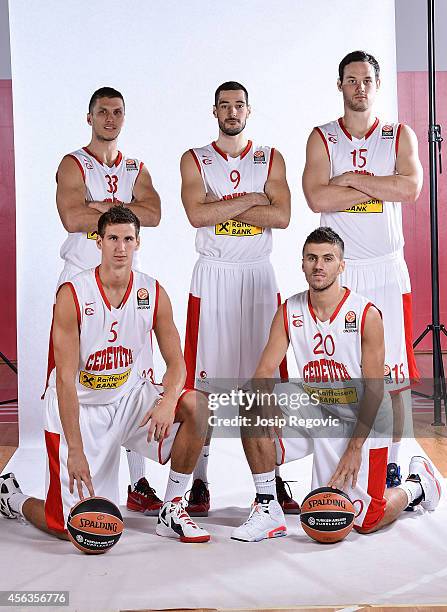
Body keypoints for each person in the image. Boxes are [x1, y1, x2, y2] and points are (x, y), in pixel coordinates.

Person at [0, 207, 210, 543]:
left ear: (138, 242)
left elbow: (177, 363)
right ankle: (12, 497)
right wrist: (77, 450)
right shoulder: (73, 294)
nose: (120, 247)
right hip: (80, 407)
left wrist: (169, 400)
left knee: (197, 406)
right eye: (113, 238)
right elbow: (65, 379)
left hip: (126, 397)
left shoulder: (152, 293)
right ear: (99, 242)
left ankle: (172, 508)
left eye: (128, 238)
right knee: (76, 529)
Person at [231, 228, 440, 542]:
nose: (319, 265)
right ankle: (267, 509)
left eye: (328, 258)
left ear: (342, 266)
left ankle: (417, 485)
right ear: (302, 263)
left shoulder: (365, 315)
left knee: (365, 520)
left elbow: (374, 390)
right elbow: (263, 372)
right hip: (315, 406)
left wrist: (354, 449)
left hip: (363, 417)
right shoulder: (290, 310)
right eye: (312, 258)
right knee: (250, 401)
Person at [302, 50, 423, 486]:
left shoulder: (397, 134)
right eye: (351, 80)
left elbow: (409, 189)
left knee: (395, 367)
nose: (359, 87)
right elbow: (317, 199)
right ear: (340, 86)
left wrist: (348, 181)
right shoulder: (322, 137)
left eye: (366, 80)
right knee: (343, 365)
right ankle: (344, 451)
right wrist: (378, 186)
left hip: (388, 267)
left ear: (377, 84)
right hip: (343, 271)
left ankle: (395, 455)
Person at [180, 80, 298, 515]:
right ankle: (200, 482)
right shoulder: (195, 158)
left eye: (239, 105)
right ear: (214, 111)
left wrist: (225, 203)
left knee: (264, 383)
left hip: (258, 277)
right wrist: (254, 199)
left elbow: (282, 215)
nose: (232, 112)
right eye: (225, 106)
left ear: (250, 111)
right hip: (213, 277)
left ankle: (275, 480)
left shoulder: (271, 157)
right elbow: (197, 213)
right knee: (205, 387)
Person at [51, 87, 162, 514]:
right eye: (103, 112)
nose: (110, 119)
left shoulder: (136, 166)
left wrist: (99, 207)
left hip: (123, 279)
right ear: (89, 117)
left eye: (117, 112)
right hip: (81, 281)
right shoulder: (73, 163)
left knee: (132, 377)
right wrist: (121, 209)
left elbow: (152, 214)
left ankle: (139, 483)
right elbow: (70, 216)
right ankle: (70, 465)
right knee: (77, 379)